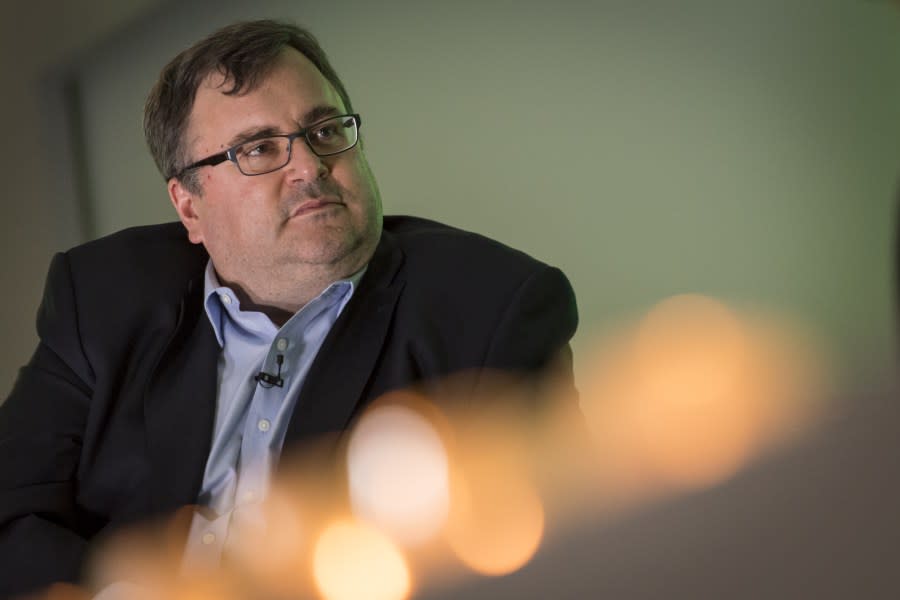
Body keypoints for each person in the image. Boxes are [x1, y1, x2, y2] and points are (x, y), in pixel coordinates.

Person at [0, 19, 578, 597]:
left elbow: (535, 563)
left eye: (325, 130)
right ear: (189, 207)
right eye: (259, 148)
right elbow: (11, 510)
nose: (309, 167)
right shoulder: (104, 296)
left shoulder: (495, 311)